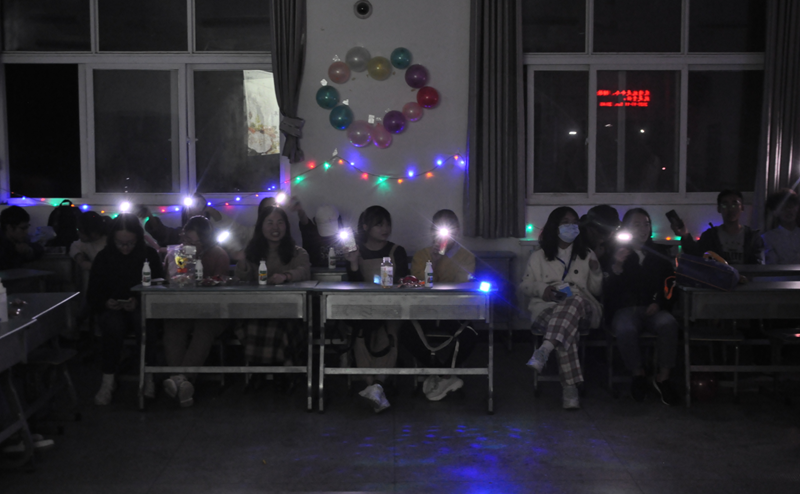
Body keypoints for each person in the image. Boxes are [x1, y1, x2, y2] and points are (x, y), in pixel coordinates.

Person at [519, 206, 603, 410]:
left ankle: (545, 348)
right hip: (548, 306)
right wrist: (542, 289)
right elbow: (524, 286)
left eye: (574, 222)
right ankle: (570, 390)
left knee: (573, 302)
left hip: (582, 306)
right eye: (566, 222)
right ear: (555, 226)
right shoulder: (539, 256)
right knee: (566, 329)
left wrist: (595, 271)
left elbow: (596, 290)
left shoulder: (586, 254)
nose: (571, 226)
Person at [604, 208, 680, 405]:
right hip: (625, 310)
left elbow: (670, 283)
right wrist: (617, 267)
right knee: (625, 328)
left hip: (654, 308)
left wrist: (659, 303)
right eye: (636, 225)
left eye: (646, 224)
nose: (642, 229)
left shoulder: (659, 252)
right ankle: (638, 374)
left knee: (668, 324)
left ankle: (663, 377)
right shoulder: (615, 252)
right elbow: (606, 289)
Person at [87, 214, 164, 405]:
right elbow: (93, 293)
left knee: (143, 321)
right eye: (120, 243)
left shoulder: (149, 255)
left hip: (142, 307)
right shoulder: (104, 257)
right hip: (112, 309)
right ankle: (108, 379)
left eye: (130, 243)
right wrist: (106, 302)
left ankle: (148, 376)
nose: (125, 248)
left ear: (138, 239)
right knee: (113, 324)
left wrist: (138, 301)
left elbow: (159, 287)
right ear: (112, 239)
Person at [407, 209, 477, 401]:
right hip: (426, 310)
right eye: (438, 229)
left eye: (449, 229)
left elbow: (462, 286)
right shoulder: (421, 256)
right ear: (431, 232)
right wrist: (434, 262)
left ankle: (444, 376)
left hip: (455, 311)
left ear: (457, 231)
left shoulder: (466, 257)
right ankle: (439, 371)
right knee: (407, 332)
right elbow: (418, 285)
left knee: (470, 335)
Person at [344, 205, 409, 412]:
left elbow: (405, 282)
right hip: (363, 308)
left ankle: (377, 385)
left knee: (388, 332)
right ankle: (373, 385)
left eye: (387, 224)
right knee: (360, 333)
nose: (385, 229)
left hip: (391, 307)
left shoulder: (397, 251)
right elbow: (353, 287)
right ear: (365, 226)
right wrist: (353, 263)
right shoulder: (355, 252)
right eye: (379, 224)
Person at [161, 216, 231, 407]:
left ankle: (180, 379)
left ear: (205, 241)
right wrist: (176, 271)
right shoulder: (176, 254)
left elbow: (222, 286)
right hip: (183, 308)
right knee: (173, 326)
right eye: (185, 239)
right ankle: (183, 386)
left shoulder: (218, 255)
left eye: (193, 242)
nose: (187, 245)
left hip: (212, 311)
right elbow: (168, 281)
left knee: (204, 329)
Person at [235, 206, 310, 374]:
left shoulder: (298, 253)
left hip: (289, 310)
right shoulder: (252, 252)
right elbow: (242, 279)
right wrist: (242, 262)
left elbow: (304, 270)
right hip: (257, 309)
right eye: (269, 223)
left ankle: (283, 375)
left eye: (280, 222)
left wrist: (285, 276)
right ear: (261, 226)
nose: (275, 227)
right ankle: (259, 374)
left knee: (281, 327)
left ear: (286, 226)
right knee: (253, 325)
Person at [673, 189, 764, 264]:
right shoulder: (710, 236)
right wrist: (685, 235)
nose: (730, 208)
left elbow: (758, 265)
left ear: (742, 208)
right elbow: (695, 256)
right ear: (719, 209)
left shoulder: (752, 237)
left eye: (734, 204)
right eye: (725, 205)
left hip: (746, 280)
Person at [290, 199, 342, 268]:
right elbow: (305, 223)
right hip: (316, 272)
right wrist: (300, 211)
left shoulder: (346, 235)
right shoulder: (312, 234)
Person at [762, 188, 800, 265]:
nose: (788, 210)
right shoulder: (768, 238)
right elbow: (771, 265)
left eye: (791, 206)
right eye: (783, 207)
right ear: (775, 212)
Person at [0, 206, 43, 270]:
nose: (26, 232)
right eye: (23, 228)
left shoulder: (20, 240)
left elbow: (38, 248)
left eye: (27, 227)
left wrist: (29, 250)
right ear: (9, 228)